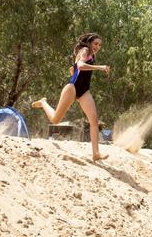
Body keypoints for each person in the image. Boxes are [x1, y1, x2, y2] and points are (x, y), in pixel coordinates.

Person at [32, 33, 110, 162]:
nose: (97, 46)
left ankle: (96, 153)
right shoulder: (84, 50)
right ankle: (43, 103)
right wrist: (100, 67)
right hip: (72, 88)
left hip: (84, 91)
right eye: (95, 43)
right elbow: (80, 65)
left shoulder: (91, 55)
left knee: (94, 120)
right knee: (55, 120)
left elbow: (75, 69)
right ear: (89, 43)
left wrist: (74, 69)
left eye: (99, 45)